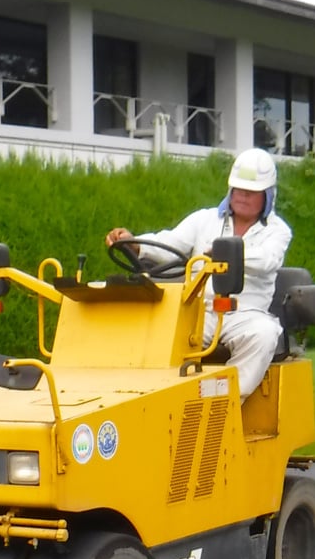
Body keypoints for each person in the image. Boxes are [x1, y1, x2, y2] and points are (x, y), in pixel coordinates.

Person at [106, 147, 292, 398]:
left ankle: (226, 403)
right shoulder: (204, 220)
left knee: (265, 334)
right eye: (238, 190)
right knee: (151, 333)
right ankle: (154, 402)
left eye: (251, 192)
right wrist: (136, 242)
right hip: (199, 311)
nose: (242, 196)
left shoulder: (278, 231)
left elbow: (268, 260)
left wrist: (227, 252)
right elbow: (170, 245)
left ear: (267, 196)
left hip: (244, 314)